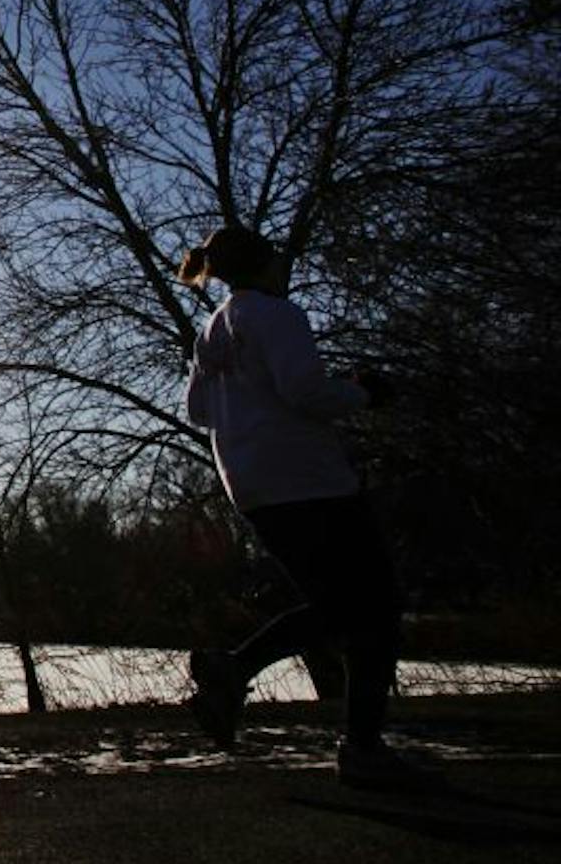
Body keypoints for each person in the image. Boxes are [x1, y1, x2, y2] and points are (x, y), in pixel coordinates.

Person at [179, 222, 434, 792]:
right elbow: (305, 392)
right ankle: (361, 747)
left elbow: (198, 410)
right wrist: (363, 393)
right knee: (375, 607)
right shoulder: (277, 315)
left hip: (251, 485)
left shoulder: (213, 329)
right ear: (267, 265)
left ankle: (236, 671)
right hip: (308, 477)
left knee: (345, 605)